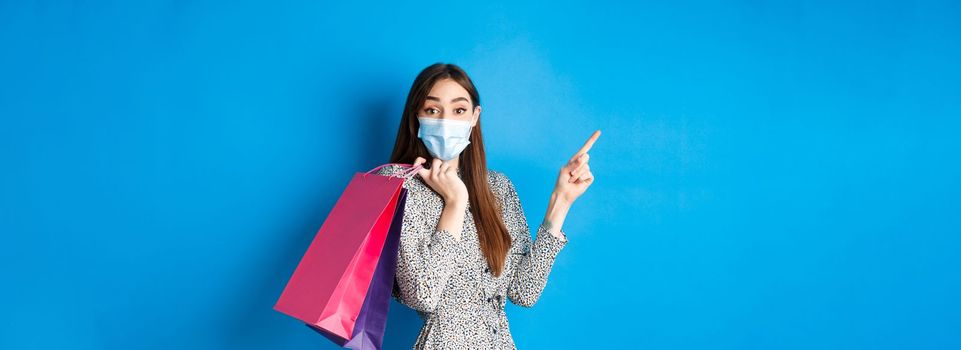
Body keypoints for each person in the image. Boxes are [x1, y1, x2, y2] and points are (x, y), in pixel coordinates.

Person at [375, 62, 599, 349]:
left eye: (458, 110)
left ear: (474, 116)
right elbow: (423, 294)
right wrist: (455, 202)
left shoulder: (497, 187)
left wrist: (561, 200)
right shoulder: (397, 183)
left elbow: (524, 291)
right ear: (416, 116)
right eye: (433, 110)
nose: (446, 121)